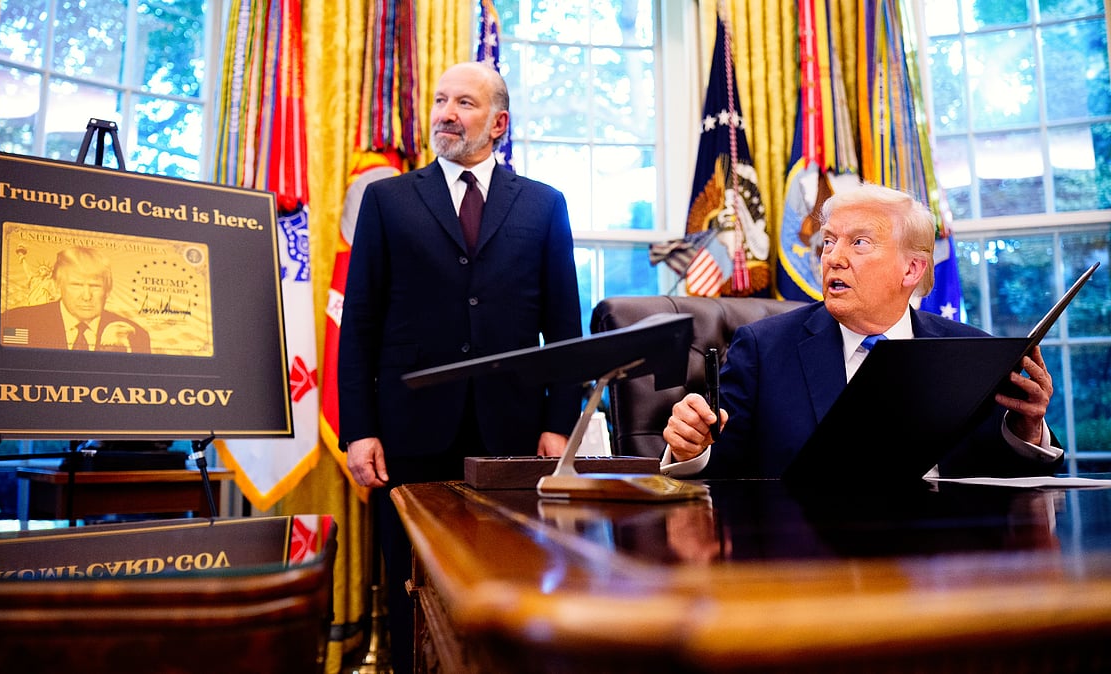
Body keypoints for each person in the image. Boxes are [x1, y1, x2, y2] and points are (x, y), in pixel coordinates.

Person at [338, 61, 582, 671]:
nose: (446, 114)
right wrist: (359, 429)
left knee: (507, 588)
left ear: (498, 123)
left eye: (464, 103)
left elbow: (564, 328)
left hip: (513, 437)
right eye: (441, 100)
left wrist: (559, 424)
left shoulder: (544, 205)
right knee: (412, 589)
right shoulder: (387, 200)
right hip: (408, 435)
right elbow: (360, 321)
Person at [661, 183, 1061, 480]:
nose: (833, 258)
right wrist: (690, 449)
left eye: (859, 243)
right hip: (811, 555)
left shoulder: (973, 352)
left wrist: (1026, 429)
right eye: (829, 242)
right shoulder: (763, 350)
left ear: (911, 269)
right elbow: (720, 472)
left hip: (946, 554)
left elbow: (1007, 480)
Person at [1, 246, 151, 353]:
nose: (86, 296)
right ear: (57, 285)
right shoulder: (17, 321)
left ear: (108, 290)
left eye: (95, 286)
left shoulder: (136, 335)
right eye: (76, 285)